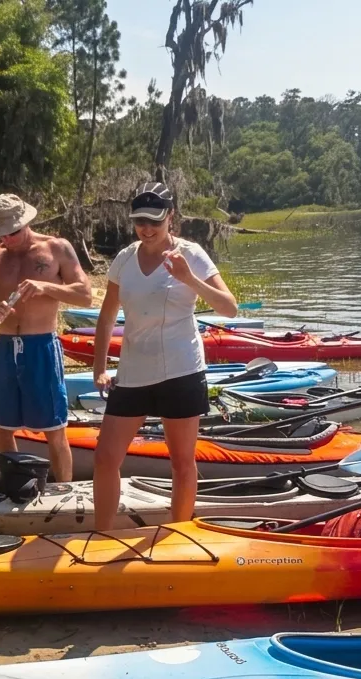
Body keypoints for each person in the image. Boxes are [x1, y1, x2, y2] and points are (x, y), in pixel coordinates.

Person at [91, 182, 238, 530]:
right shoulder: (125, 259)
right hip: (133, 373)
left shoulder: (191, 254)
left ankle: (178, 533)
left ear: (171, 217)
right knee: (105, 458)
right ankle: (100, 534)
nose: (147, 228)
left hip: (181, 370)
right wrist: (100, 367)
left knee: (181, 462)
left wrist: (189, 278)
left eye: (155, 220)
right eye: (140, 220)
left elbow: (229, 308)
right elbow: (107, 315)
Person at [0, 193, 92, 482]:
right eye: (2, 234)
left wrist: (46, 287)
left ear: (26, 223)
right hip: (5, 347)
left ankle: (63, 490)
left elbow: (85, 295)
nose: (8, 239)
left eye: (13, 232)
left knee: (53, 427)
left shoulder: (56, 248)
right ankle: (12, 481)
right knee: (1, 425)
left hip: (41, 346)